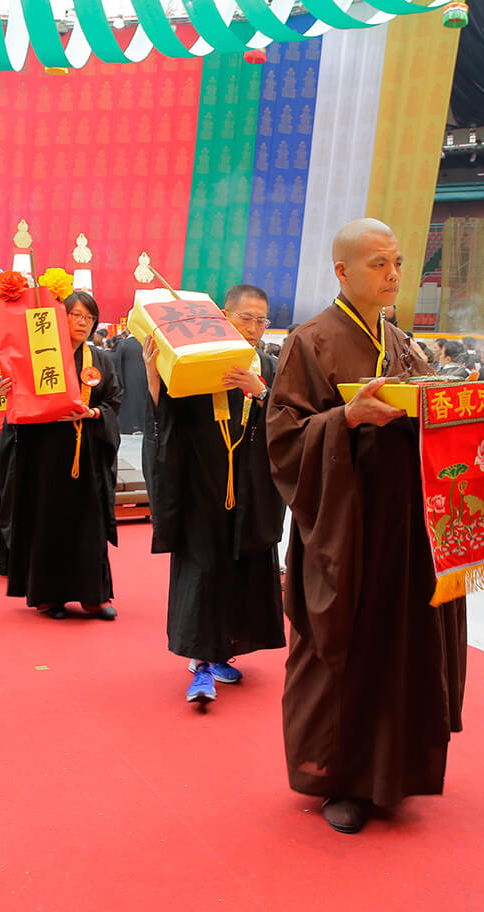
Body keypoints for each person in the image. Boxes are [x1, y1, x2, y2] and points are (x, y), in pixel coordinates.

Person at [268, 217, 467, 835]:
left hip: (405, 528)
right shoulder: (312, 341)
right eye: (380, 263)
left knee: (400, 646)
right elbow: (283, 440)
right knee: (344, 652)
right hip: (345, 531)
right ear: (343, 271)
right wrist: (345, 420)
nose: (393, 274)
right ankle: (340, 779)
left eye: (398, 262)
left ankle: (395, 770)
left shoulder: (400, 340)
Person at [142, 284, 286, 705]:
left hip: (252, 487)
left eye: (262, 320)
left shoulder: (271, 367)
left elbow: (292, 418)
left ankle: (226, 650)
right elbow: (167, 419)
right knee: (203, 571)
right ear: (223, 315)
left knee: (242, 568)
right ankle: (201, 662)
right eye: (246, 318)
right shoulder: (195, 361)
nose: (255, 328)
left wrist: (260, 391)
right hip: (202, 486)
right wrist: (154, 378)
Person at [0, 291, 122, 619]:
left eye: (90, 317)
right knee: (48, 520)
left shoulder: (102, 360)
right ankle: (49, 596)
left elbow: (114, 400)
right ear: (57, 318)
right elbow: (18, 393)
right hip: (47, 453)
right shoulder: (41, 356)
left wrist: (92, 414)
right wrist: (4, 386)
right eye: (77, 315)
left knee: (89, 524)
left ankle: (95, 596)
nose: (84, 322)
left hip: (88, 453)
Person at [112, 331, 149, 435]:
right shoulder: (145, 343)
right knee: (144, 402)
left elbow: (118, 363)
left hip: (128, 379)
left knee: (129, 404)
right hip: (146, 378)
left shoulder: (123, 344)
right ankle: (144, 426)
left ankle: (131, 426)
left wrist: (120, 381)